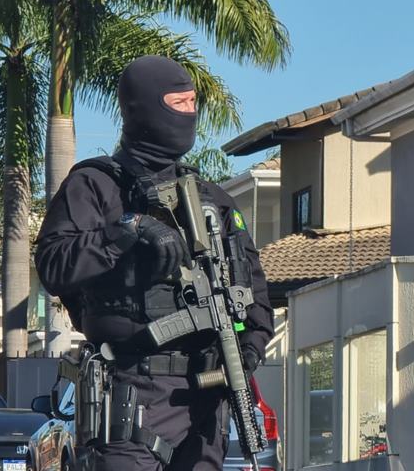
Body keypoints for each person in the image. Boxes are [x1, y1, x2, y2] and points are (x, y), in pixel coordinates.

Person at [35, 55, 274, 471]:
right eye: (176, 103)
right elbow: (54, 265)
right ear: (141, 108)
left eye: (192, 103)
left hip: (207, 396)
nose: (189, 113)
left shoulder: (213, 199)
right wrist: (127, 231)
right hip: (130, 392)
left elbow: (255, 296)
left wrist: (248, 350)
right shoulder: (94, 185)